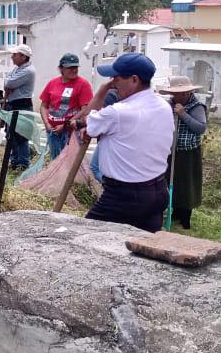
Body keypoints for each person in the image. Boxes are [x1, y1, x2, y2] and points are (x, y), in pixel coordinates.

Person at [82, 53, 174, 233]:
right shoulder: (163, 107)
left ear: (134, 79)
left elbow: (88, 120)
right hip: (157, 190)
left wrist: (102, 90)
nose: (113, 82)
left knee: (86, 240)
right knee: (143, 250)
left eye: (116, 77)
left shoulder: (118, 112)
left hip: (124, 196)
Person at [159, 76, 207, 230]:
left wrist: (183, 115)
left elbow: (200, 128)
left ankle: (184, 219)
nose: (182, 96)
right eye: (178, 93)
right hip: (170, 150)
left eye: (185, 93)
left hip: (188, 153)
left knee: (186, 185)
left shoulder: (197, 107)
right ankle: (171, 213)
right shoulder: (168, 105)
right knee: (169, 181)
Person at [38, 53, 93, 160]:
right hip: (53, 129)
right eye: (69, 67)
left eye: (75, 67)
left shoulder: (83, 84)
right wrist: (47, 124)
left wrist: (65, 125)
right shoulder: (52, 83)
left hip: (71, 130)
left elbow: (85, 109)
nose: (73, 70)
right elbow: (43, 106)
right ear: (61, 69)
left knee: (68, 161)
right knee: (55, 159)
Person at [2, 44, 35, 169]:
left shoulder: (28, 71)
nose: (12, 57)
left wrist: (9, 84)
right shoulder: (18, 68)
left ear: (23, 56)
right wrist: (8, 84)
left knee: (21, 136)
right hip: (13, 105)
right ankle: (15, 161)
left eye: (15, 55)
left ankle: (23, 163)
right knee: (11, 135)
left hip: (22, 106)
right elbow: (7, 82)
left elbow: (9, 82)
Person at [88, 87, 119, 182]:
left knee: (95, 167)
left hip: (109, 138)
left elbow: (92, 128)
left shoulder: (111, 94)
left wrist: (102, 90)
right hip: (112, 138)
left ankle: (112, 188)